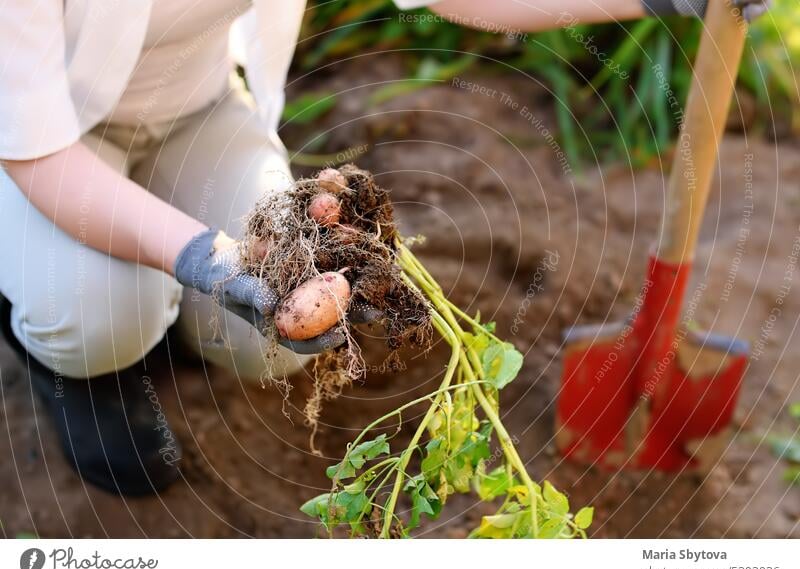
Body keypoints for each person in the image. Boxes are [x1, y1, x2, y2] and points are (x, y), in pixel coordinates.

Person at [0, 0, 767, 496]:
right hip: (46, 146)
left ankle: (183, 319)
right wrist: (209, 259)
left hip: (194, 107)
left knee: (276, 335)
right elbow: (43, 158)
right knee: (98, 315)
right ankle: (71, 363)